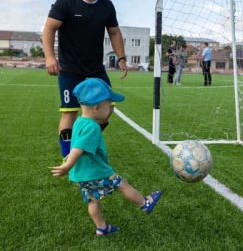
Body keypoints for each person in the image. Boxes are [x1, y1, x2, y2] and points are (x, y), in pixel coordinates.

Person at [51, 78, 162, 236]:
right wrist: (68, 165)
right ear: (97, 108)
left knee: (92, 200)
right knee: (122, 184)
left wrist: (70, 166)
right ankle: (145, 203)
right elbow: (78, 147)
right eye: (109, 105)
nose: (111, 108)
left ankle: (101, 227)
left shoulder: (79, 122)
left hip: (82, 175)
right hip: (96, 172)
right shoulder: (93, 127)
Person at [42, 0, 128, 160]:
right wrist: (49, 56)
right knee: (70, 114)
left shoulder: (106, 6)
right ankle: (67, 158)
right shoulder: (65, 2)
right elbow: (49, 28)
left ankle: (83, 146)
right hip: (70, 70)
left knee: (107, 110)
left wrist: (122, 57)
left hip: (96, 70)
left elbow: (114, 32)